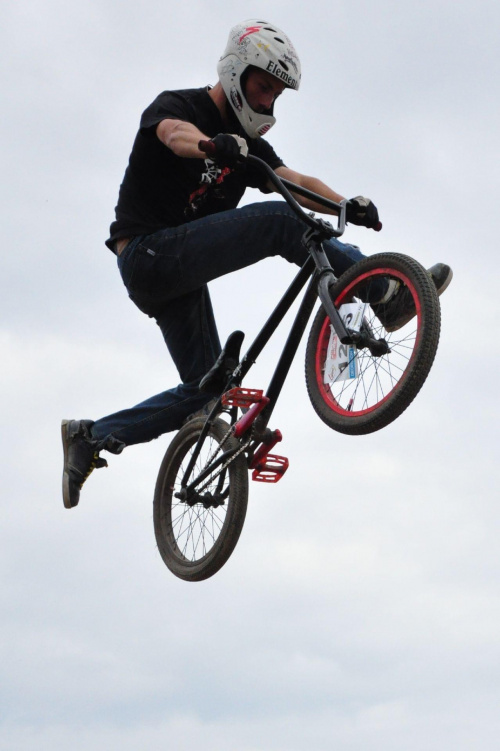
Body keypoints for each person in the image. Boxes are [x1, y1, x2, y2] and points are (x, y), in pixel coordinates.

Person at [62, 19, 452, 509]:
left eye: (275, 95)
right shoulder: (179, 107)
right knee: (278, 223)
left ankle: (92, 436)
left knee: (208, 392)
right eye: (263, 87)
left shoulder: (251, 149)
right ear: (235, 72)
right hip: (147, 254)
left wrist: (346, 204)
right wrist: (210, 144)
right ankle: (386, 295)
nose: (267, 102)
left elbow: (292, 179)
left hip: (176, 278)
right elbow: (174, 134)